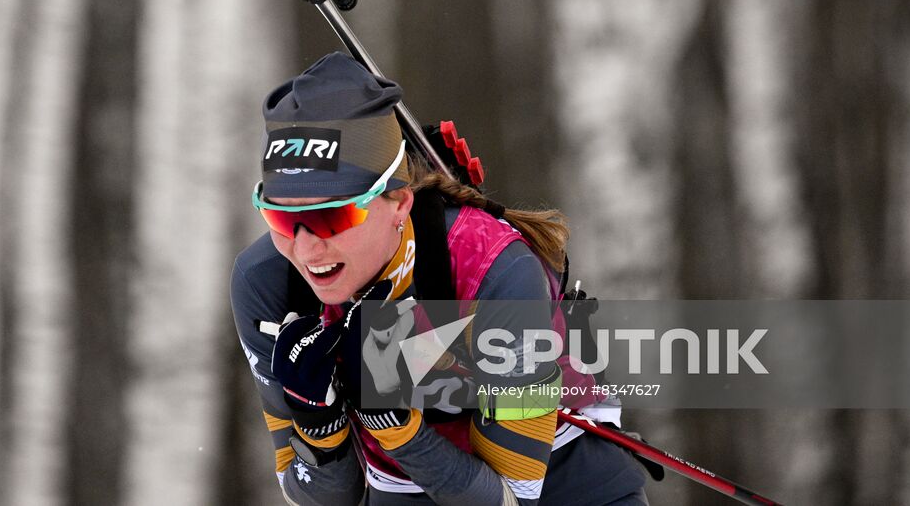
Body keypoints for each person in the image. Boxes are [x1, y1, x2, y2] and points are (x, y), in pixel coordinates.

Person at [230, 52, 651, 505]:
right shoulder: (267, 284)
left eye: (332, 216)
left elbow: (512, 498)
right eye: (282, 218)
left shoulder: (495, 269)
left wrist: (395, 427)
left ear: (399, 202)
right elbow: (320, 496)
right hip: (404, 488)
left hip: (567, 481)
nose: (307, 248)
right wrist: (320, 433)